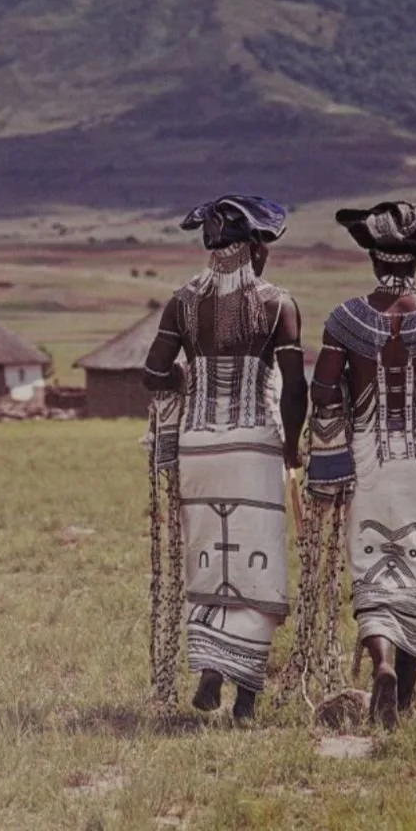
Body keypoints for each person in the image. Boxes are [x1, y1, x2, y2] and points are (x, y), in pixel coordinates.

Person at [306, 200, 416, 729]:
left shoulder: (344, 321)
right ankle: (400, 703)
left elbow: (322, 394)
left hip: (364, 467)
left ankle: (381, 665)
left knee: (373, 573)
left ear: (373, 259)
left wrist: (327, 465)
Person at [143, 195, 307, 722]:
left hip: (197, 447)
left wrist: (185, 383)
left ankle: (212, 669)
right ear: (256, 248)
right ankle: (246, 698)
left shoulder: (182, 303)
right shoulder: (278, 304)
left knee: (209, 555)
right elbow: (295, 388)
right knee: (258, 563)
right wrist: (291, 448)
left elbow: (154, 372)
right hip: (254, 445)